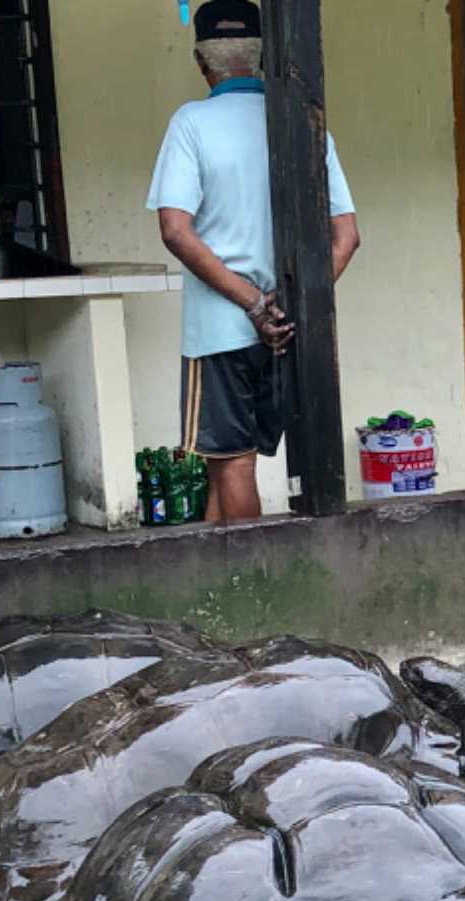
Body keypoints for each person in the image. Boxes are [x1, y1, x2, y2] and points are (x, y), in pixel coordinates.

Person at [146, 0, 360, 522]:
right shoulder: (303, 123)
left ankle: (256, 568)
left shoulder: (192, 122)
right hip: (288, 332)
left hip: (221, 331)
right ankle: (220, 570)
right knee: (229, 467)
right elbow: (347, 237)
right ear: (263, 56)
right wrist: (286, 309)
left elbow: (175, 229)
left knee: (233, 465)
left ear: (201, 61)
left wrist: (252, 304)